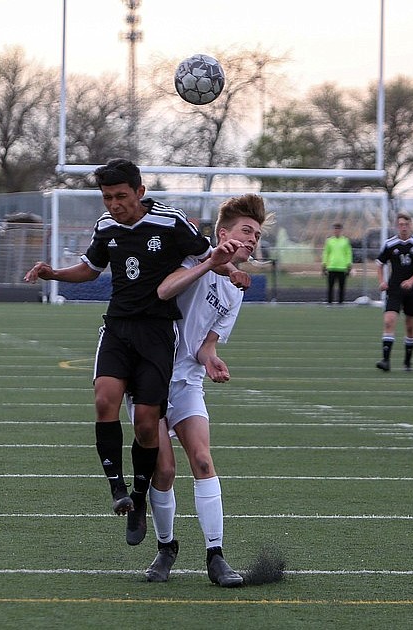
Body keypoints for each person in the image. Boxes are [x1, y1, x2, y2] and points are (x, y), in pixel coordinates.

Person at [22, 158, 214, 546]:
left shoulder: (171, 221)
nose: (114, 204)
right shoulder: (106, 227)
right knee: (104, 398)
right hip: (118, 328)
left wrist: (234, 269)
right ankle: (117, 488)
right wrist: (54, 273)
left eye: (121, 196)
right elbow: (91, 269)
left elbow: (211, 256)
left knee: (147, 425)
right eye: (107, 197)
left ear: (140, 192)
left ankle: (139, 499)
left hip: (158, 333)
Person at [138, 193, 267, 588]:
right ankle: (166, 548)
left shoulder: (236, 290)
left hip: (188, 381)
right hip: (150, 376)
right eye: (246, 231)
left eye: (257, 235)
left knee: (203, 461)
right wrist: (213, 261)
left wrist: (211, 358)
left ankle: (216, 556)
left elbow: (206, 344)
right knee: (164, 469)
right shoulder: (196, 258)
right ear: (223, 233)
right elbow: (164, 290)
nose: (252, 240)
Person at [375, 213, 413, 372]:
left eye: (406, 224)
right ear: (397, 226)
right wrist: (381, 282)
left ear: (410, 225)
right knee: (388, 320)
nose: (403, 227)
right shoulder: (390, 244)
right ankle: (385, 361)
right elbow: (379, 264)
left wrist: (411, 281)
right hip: (394, 289)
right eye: (400, 225)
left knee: (410, 327)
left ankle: (407, 362)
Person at [322, 223, 353, 304]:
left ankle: (341, 302)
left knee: (342, 287)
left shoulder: (345, 241)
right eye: (335, 229)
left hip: (342, 267)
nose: (337, 231)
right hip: (331, 267)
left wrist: (349, 265)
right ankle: (329, 302)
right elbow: (326, 253)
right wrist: (324, 264)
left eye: (338, 229)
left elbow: (348, 253)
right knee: (330, 287)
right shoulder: (329, 241)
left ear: (341, 230)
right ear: (333, 230)